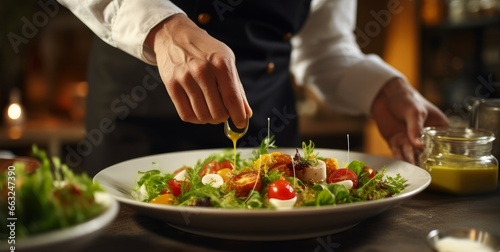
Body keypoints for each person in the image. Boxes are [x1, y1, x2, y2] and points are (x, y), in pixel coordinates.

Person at [56, 0, 449, 176]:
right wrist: (163, 28)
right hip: (140, 122)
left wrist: (383, 89)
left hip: (269, 134)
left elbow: (325, 46)